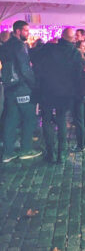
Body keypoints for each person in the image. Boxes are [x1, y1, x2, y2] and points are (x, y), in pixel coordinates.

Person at [38, 27, 82, 163]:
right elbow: (78, 75)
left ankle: (50, 152)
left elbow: (37, 61)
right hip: (65, 92)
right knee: (62, 120)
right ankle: (61, 153)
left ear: (61, 36)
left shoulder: (50, 48)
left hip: (47, 90)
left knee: (46, 120)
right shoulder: (75, 52)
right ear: (73, 38)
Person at [0, 21, 40, 163]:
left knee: (11, 120)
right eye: (26, 30)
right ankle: (26, 149)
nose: (28, 33)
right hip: (22, 88)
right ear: (18, 31)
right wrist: (34, 85)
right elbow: (24, 69)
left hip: (9, 88)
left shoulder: (5, 45)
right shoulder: (19, 46)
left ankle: (8, 152)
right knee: (29, 119)